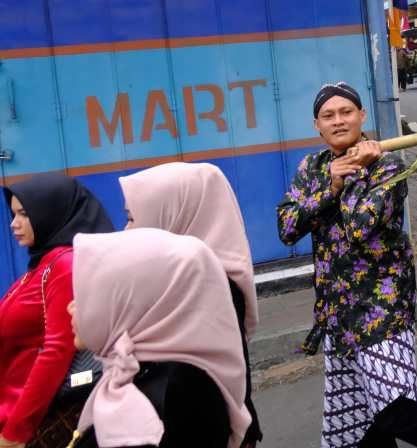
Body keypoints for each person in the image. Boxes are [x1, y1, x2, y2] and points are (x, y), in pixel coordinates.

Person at [277, 82, 417, 448]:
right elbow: (286, 227)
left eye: (346, 112)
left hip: (382, 309)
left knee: (395, 407)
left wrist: (349, 178)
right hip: (336, 313)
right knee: (361, 425)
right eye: (328, 115)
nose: (339, 121)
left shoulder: (388, 163)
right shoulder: (311, 168)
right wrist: (329, 187)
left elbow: (360, 228)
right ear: (317, 125)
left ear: (362, 116)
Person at [118, 163, 263, 447]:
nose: (126, 229)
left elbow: (192, 379)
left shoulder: (208, 284)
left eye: (133, 217)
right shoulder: (175, 278)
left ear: (173, 214)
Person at [68, 229, 251, 448]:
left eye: (85, 296)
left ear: (128, 305)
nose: (70, 307)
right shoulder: (141, 374)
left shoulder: (172, 394)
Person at [1, 175, 114, 448]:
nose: (13, 224)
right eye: (13, 214)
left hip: (31, 421)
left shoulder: (64, 265)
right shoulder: (43, 264)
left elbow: (57, 350)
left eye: (24, 215)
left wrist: (15, 434)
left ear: (50, 212)